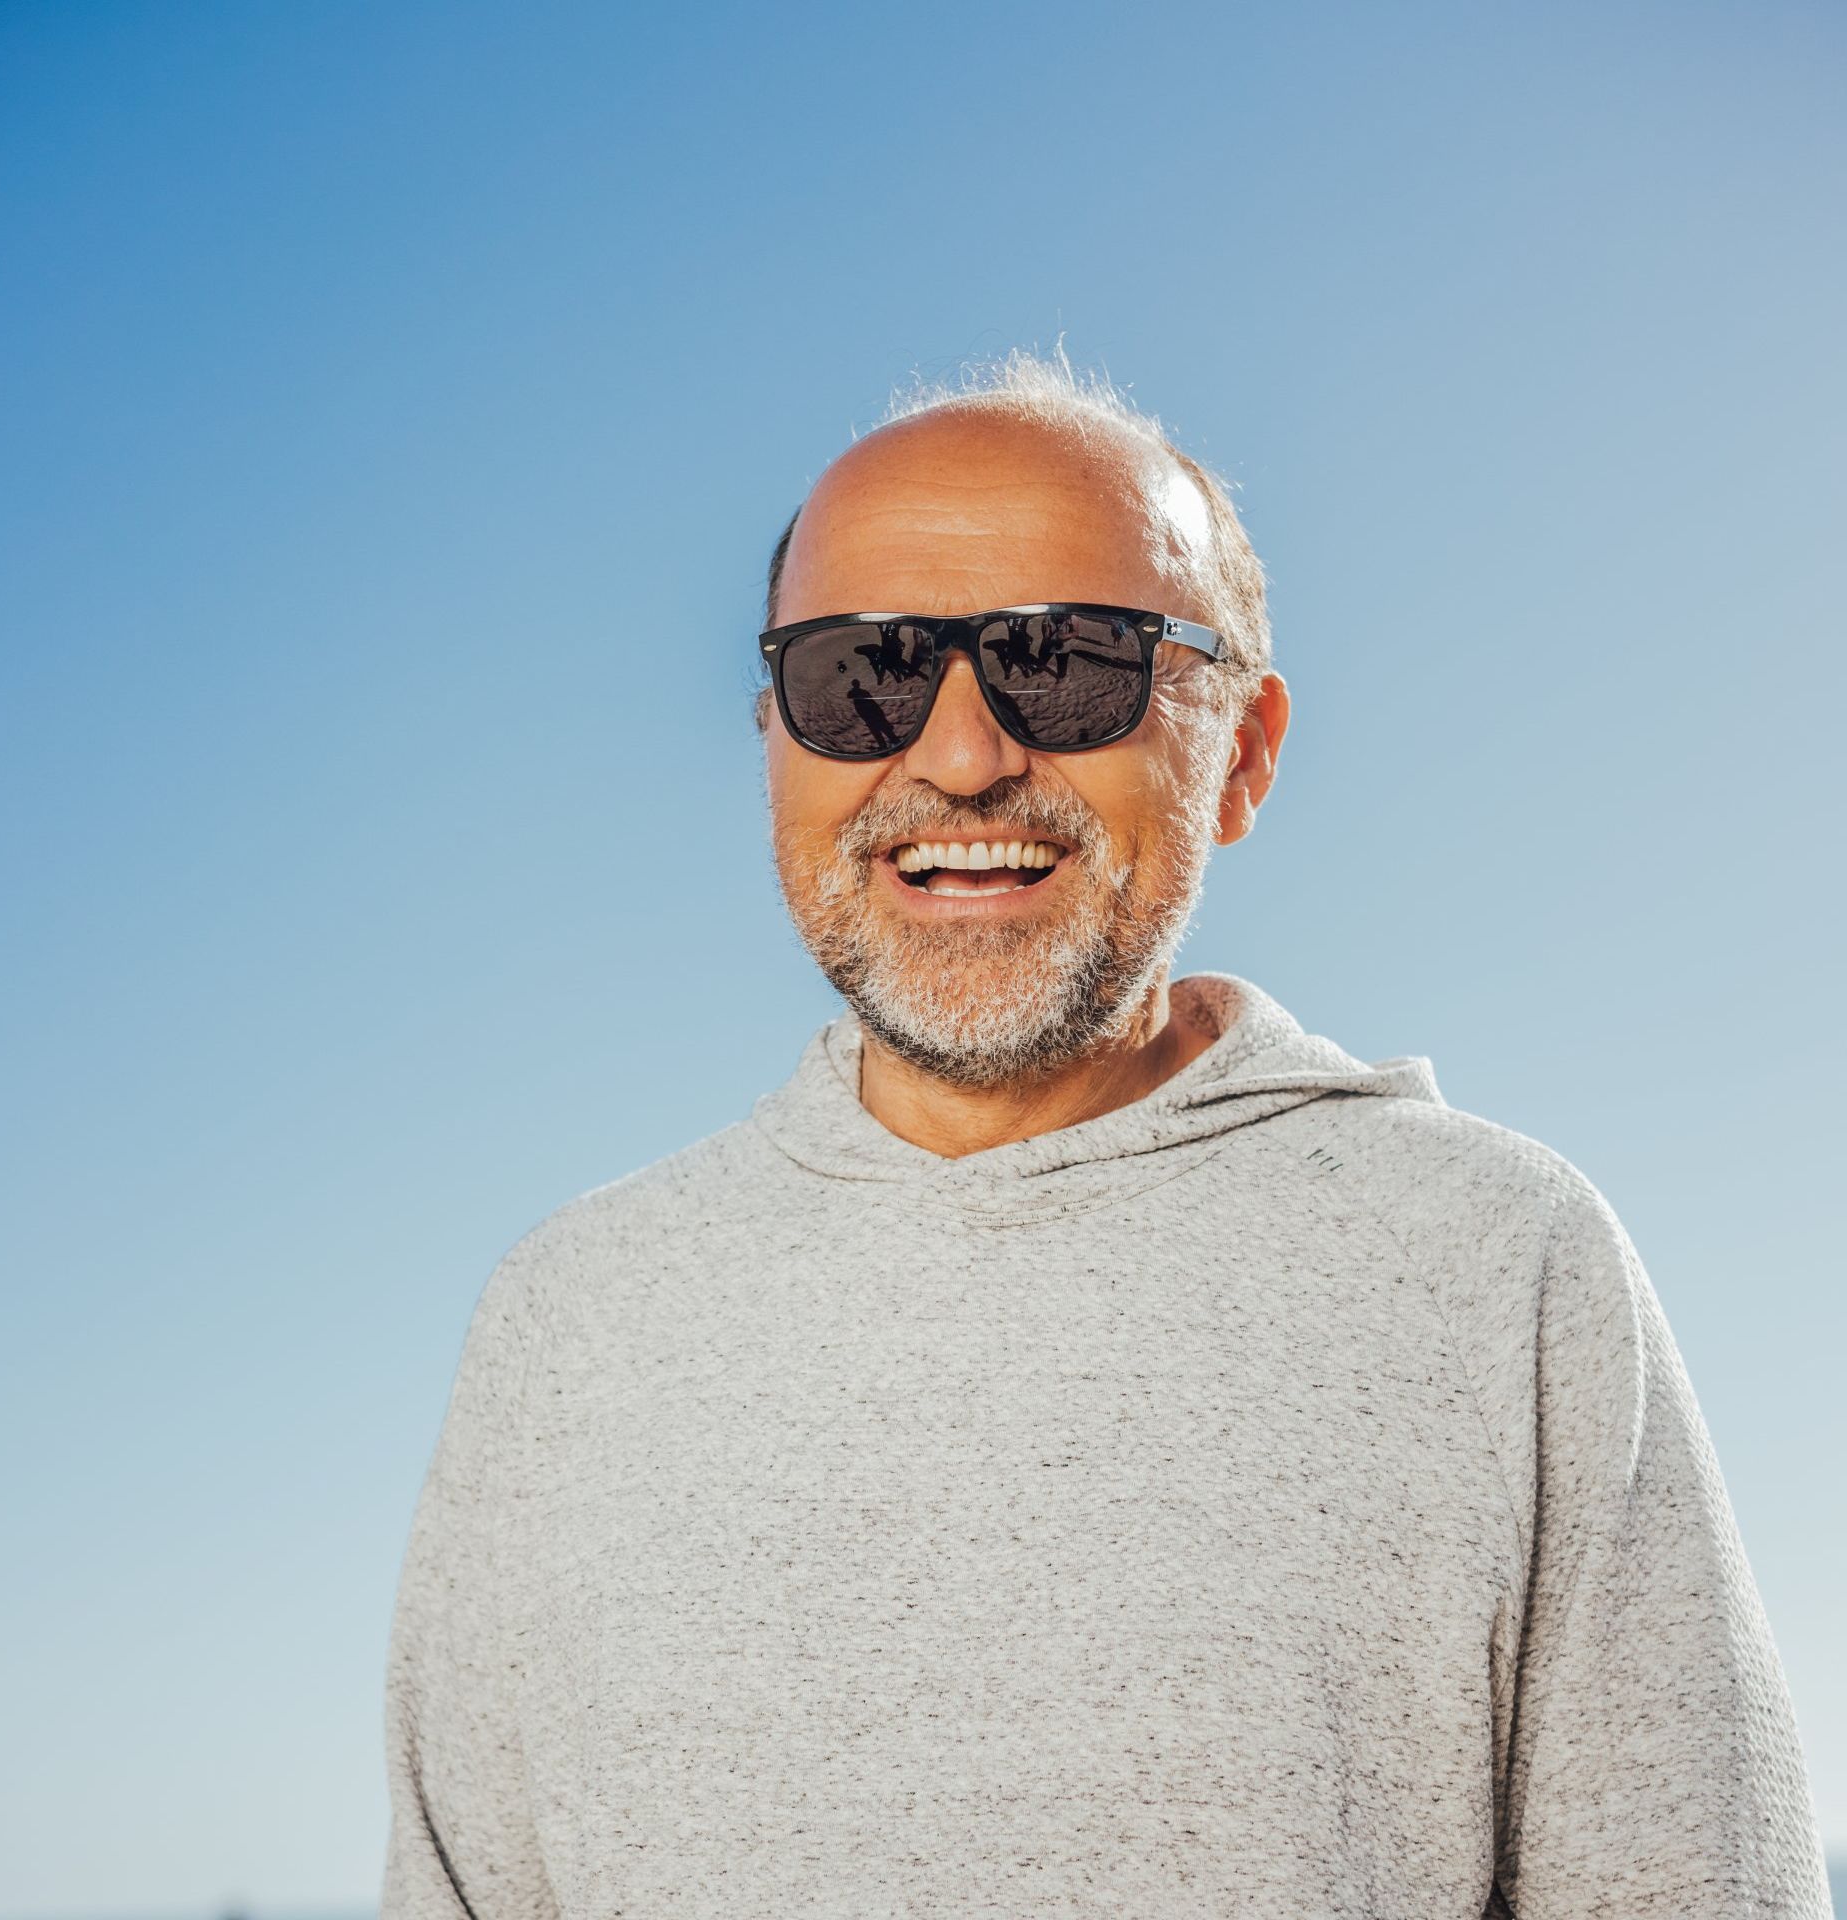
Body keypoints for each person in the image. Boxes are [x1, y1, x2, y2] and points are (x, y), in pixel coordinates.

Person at [378, 349, 1832, 1917]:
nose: (957, 755)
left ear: (1245, 753)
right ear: (774, 741)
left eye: (1065, 662)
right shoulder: (569, 1324)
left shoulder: (1503, 1267)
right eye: (858, 672)